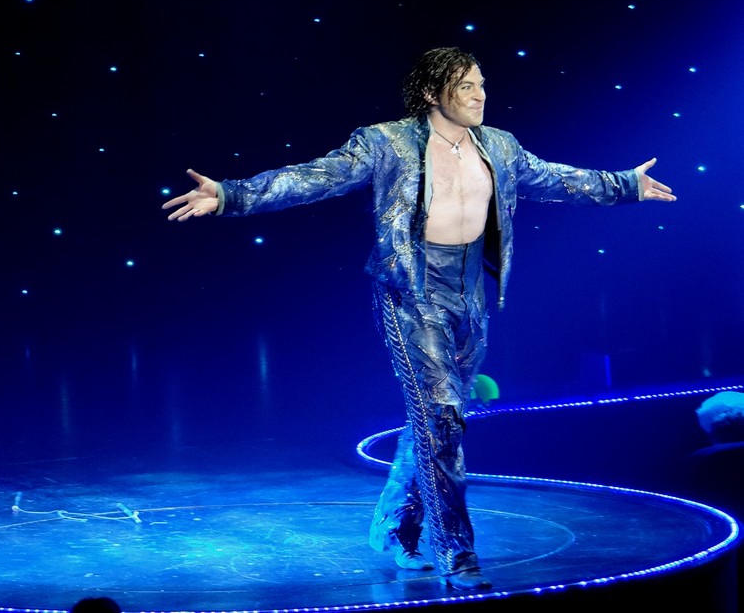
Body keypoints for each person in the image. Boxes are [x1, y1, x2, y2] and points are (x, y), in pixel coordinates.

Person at [161, 46, 676, 590]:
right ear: (433, 94)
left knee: (440, 418)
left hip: (470, 291)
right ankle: (456, 550)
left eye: (482, 84)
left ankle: (392, 525)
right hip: (413, 290)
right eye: (467, 86)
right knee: (443, 414)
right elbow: (315, 177)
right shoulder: (384, 142)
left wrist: (625, 184)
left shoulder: (499, 145)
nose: (481, 94)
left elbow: (555, 178)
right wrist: (231, 195)